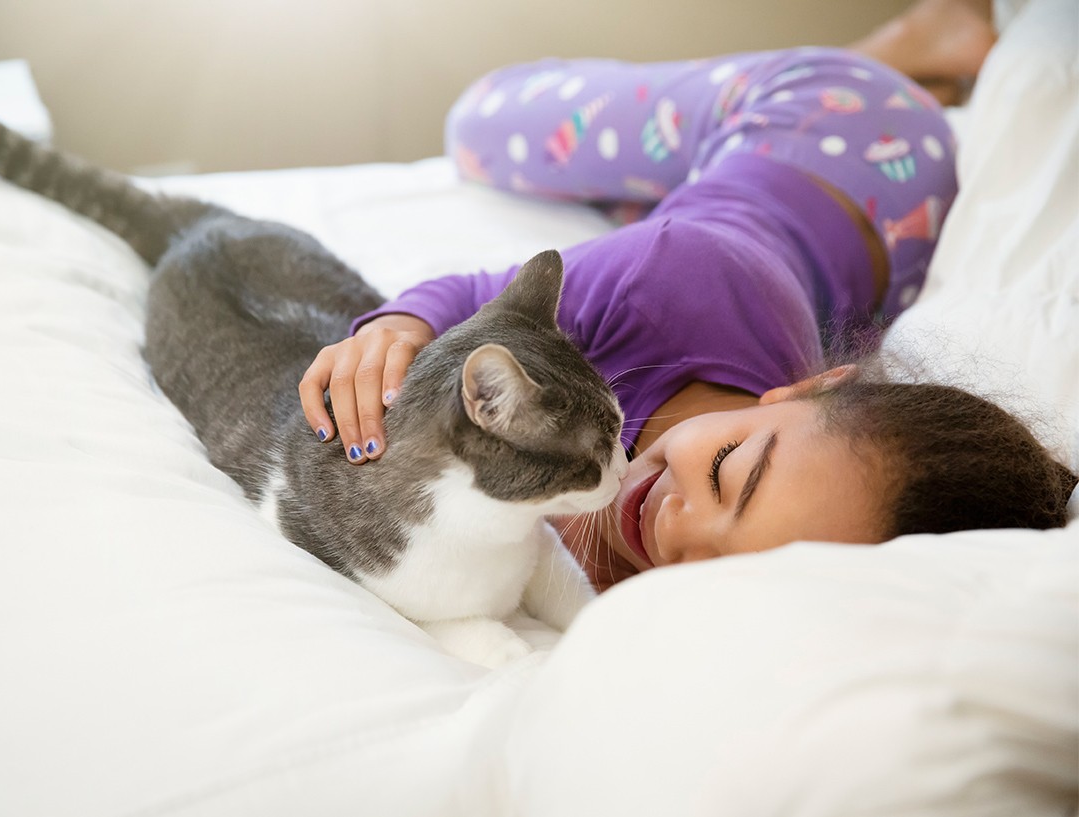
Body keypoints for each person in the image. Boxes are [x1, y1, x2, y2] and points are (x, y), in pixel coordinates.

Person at [298, 0, 1077, 590]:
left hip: (897, 240)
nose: (678, 531)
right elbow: (473, 295)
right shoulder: (669, 276)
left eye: (724, 568)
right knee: (479, 121)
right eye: (729, 470)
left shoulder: (760, 516)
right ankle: (916, 42)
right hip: (834, 121)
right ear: (808, 386)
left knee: (637, 208)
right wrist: (397, 325)